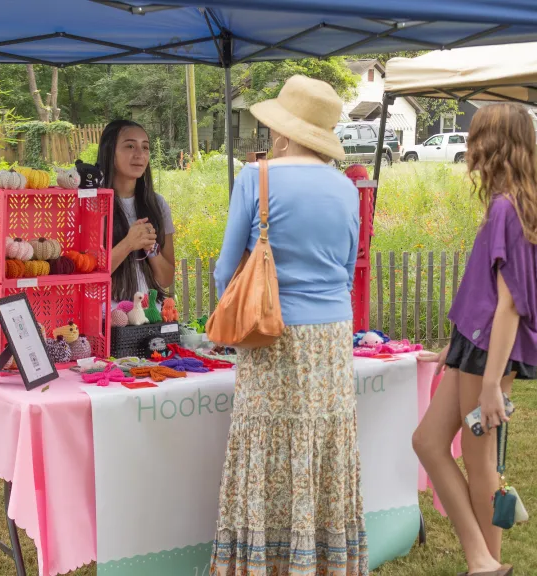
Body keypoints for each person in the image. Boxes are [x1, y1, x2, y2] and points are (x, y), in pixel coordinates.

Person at [210, 75, 367, 575]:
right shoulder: (347, 189)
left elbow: (223, 270)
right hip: (332, 337)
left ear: (283, 130)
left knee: (267, 442)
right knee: (324, 441)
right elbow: (346, 270)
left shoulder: (255, 179)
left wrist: (235, 316)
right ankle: (324, 560)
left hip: (272, 330)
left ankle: (264, 562)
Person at [413, 103, 537, 576]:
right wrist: (455, 349)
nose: (469, 147)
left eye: (475, 138)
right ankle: (482, 559)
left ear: (494, 146)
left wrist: (492, 381)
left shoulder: (505, 209)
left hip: (490, 357)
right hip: (475, 348)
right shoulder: (519, 203)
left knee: (481, 466)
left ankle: (486, 564)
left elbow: (512, 303)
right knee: (430, 442)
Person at [96, 120, 175, 308]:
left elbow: (166, 279)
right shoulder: (92, 203)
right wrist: (128, 244)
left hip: (150, 318)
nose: (140, 154)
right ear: (109, 151)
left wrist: (151, 248)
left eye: (145, 147)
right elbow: (88, 276)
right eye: (130, 145)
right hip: (107, 322)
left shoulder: (157, 204)